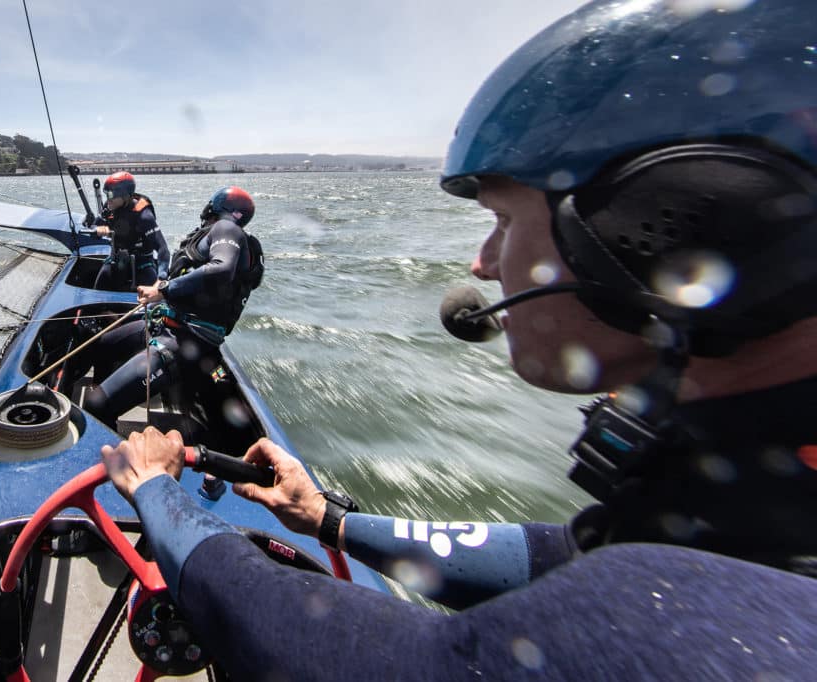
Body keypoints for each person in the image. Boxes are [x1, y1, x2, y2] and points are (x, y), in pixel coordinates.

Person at [101, 1, 817, 679]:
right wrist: (329, 519)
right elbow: (576, 556)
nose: (482, 262)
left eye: (503, 220)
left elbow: (418, 663)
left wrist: (159, 493)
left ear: (668, 222)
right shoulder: (750, 493)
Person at [83, 185, 262, 427]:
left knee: (97, 405)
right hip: (167, 324)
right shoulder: (226, 236)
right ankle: (108, 399)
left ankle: (102, 422)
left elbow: (221, 268)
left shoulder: (227, 228)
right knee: (103, 345)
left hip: (186, 341)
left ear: (215, 205)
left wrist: (163, 290)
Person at [90, 171, 170, 291]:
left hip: (142, 263)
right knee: (100, 283)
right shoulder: (109, 208)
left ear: (124, 195)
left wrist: (162, 276)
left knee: (154, 291)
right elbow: (92, 227)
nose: (108, 199)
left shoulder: (144, 216)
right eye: (106, 194)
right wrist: (97, 229)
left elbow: (163, 248)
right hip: (116, 259)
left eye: (111, 195)